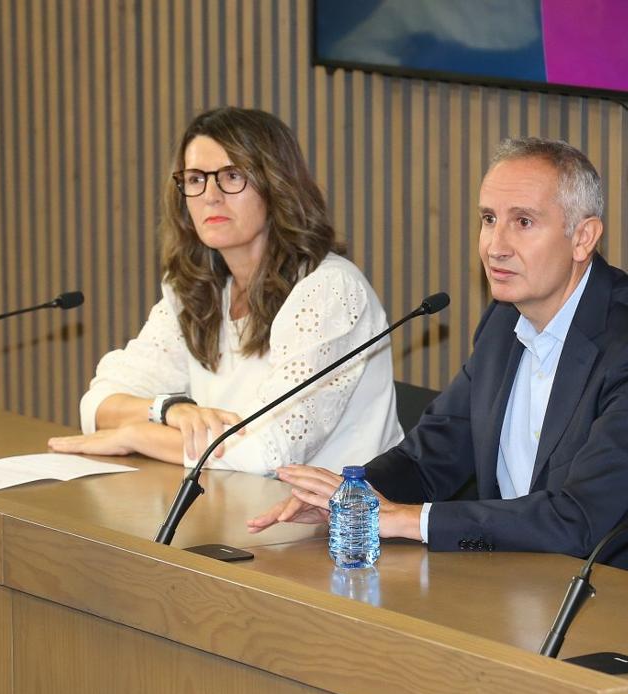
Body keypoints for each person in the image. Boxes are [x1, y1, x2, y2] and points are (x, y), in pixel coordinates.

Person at [249, 137, 628, 586]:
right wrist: (349, 499)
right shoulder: (505, 322)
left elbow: (579, 520)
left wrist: (407, 519)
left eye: (522, 222)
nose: (495, 246)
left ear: (583, 237)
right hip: (521, 578)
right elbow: (431, 456)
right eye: (487, 219)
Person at [48, 107, 402, 473]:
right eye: (196, 178)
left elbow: (268, 452)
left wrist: (136, 435)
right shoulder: (196, 288)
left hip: (338, 523)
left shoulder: (329, 290)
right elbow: (99, 404)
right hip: (234, 507)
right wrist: (168, 410)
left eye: (232, 176)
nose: (210, 196)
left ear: (276, 184)